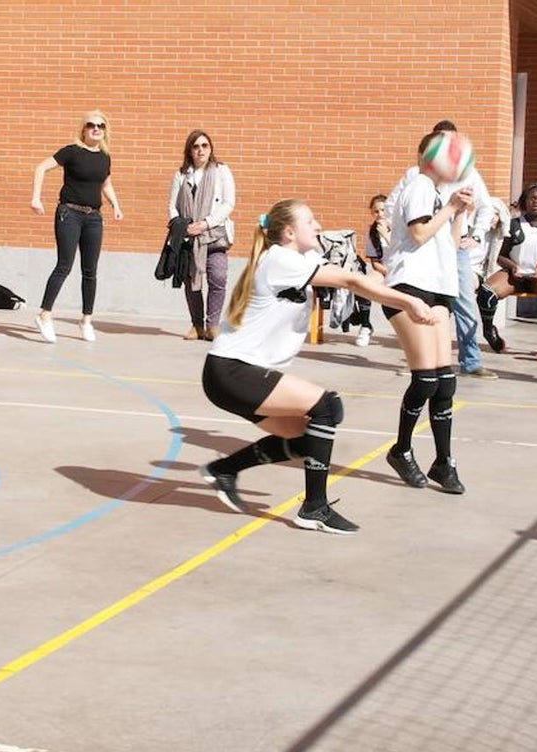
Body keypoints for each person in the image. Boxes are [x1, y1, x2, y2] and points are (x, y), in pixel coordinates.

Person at [199, 199, 438, 534]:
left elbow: (357, 276)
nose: (319, 227)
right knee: (327, 406)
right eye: (310, 222)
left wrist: (387, 265)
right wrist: (409, 301)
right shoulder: (281, 259)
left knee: (308, 438)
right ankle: (315, 508)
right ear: (288, 233)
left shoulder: (301, 257)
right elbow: (351, 284)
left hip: (232, 374)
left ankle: (225, 470)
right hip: (233, 371)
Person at [383, 131, 475, 494]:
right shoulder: (419, 183)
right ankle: (401, 450)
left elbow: (447, 245)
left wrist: (457, 213)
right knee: (424, 379)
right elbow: (419, 234)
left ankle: (443, 461)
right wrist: (450, 207)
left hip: (438, 287)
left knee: (444, 382)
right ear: (429, 157)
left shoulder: (436, 194)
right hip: (409, 287)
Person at [387, 120, 497, 379]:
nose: (449, 147)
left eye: (452, 141)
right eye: (443, 142)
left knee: (463, 304)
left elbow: (485, 206)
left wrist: (477, 235)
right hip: (421, 253)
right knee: (423, 307)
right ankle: (418, 359)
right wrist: (397, 233)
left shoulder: (467, 172)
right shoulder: (416, 178)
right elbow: (397, 211)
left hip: (451, 245)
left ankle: (470, 361)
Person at [30, 109, 123, 343]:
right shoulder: (71, 152)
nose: (96, 129)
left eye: (101, 126)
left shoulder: (104, 157)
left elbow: (105, 184)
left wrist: (116, 205)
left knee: (90, 271)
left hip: (93, 217)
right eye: (91, 125)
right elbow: (41, 168)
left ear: (105, 130)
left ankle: (86, 321)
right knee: (64, 265)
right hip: (69, 213)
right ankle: (44, 314)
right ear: (83, 129)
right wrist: (36, 198)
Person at [476, 183, 537, 355]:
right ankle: (489, 330)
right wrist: (513, 266)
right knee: (486, 292)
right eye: (532, 198)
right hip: (516, 275)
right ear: (525, 201)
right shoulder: (513, 224)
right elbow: (500, 256)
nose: (536, 202)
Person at [168, 129, 235, 341]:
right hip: (189, 236)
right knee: (191, 281)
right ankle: (196, 325)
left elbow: (228, 203)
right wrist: (183, 226)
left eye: (204, 146)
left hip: (214, 235)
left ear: (210, 148)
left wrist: (206, 224)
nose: (200, 150)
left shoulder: (221, 171)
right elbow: (173, 206)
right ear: (190, 150)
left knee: (218, 276)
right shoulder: (181, 174)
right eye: (196, 146)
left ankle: (212, 325)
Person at [354, 193, 392, 346]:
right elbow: (375, 262)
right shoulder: (372, 232)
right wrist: (386, 272)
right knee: (364, 285)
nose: (380, 214)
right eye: (376, 211)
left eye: (383, 210)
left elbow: (403, 251)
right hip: (384, 269)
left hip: (404, 268)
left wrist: (386, 234)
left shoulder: (400, 227)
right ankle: (365, 325)